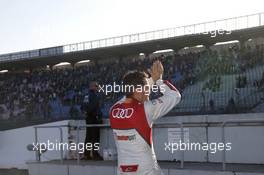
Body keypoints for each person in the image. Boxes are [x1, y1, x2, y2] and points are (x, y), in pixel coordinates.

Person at [110, 60, 181, 175]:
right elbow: (175, 96)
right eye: (146, 90)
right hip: (146, 169)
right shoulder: (146, 109)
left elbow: (129, 93)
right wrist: (158, 80)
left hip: (123, 169)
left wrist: (149, 81)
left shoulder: (113, 109)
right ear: (139, 91)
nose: (148, 93)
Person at [81, 81, 102, 160]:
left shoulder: (86, 96)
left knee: (88, 137)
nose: (97, 87)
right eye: (96, 86)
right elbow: (93, 107)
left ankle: (86, 154)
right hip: (94, 118)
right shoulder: (95, 96)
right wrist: (97, 115)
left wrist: (86, 113)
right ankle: (95, 154)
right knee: (95, 137)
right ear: (92, 87)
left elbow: (82, 107)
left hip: (88, 118)